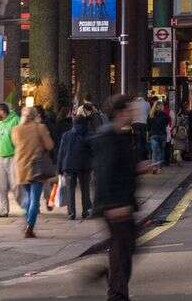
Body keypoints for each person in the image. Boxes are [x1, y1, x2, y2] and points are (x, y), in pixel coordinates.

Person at [94, 95, 159, 301]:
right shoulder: (108, 137)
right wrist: (113, 205)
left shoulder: (120, 135)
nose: (133, 113)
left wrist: (140, 168)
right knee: (123, 249)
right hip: (115, 204)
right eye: (130, 110)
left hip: (123, 202)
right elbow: (105, 173)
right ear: (121, 112)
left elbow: (123, 168)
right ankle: (117, 294)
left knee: (127, 247)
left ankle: (114, 283)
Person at [11, 105, 54, 238]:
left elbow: (16, 144)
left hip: (21, 166)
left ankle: (28, 219)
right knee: (35, 198)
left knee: (29, 196)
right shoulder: (40, 128)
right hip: (36, 166)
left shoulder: (16, 129)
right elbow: (50, 145)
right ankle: (30, 226)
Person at [58, 115, 93, 220]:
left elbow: (61, 152)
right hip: (84, 165)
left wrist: (59, 167)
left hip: (68, 165)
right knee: (85, 189)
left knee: (70, 189)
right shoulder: (88, 135)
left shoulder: (66, 135)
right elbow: (93, 151)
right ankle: (85, 211)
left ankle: (71, 213)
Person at [0, 102, 19, 218]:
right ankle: (2, 210)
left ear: (2, 111)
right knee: (0, 186)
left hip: (13, 157)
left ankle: (27, 206)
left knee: (16, 185)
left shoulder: (15, 120)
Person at [147, 101, 169, 166]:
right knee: (161, 151)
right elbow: (167, 123)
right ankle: (159, 168)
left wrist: (148, 135)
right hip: (162, 134)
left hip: (153, 135)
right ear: (162, 107)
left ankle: (154, 167)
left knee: (154, 152)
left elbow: (148, 127)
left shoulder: (150, 115)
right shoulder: (164, 115)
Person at [129, 95, 150, 161]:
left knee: (137, 141)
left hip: (135, 124)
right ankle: (144, 157)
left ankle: (137, 157)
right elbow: (148, 113)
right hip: (144, 124)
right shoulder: (147, 104)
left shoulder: (132, 104)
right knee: (143, 141)